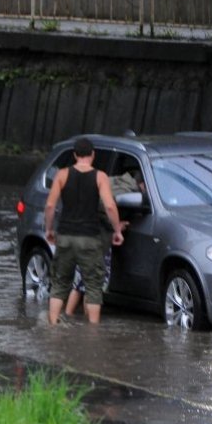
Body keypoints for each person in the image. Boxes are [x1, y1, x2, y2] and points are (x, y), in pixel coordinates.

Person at [44, 137, 124, 325]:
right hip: (90, 238)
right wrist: (117, 230)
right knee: (93, 286)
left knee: (60, 283)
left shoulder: (62, 175)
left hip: (65, 236)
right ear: (93, 155)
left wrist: (49, 229)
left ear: (74, 155)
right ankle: (92, 333)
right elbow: (110, 206)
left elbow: (50, 205)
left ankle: (53, 326)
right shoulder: (100, 176)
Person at [65, 169, 144, 316]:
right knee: (93, 287)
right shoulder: (127, 190)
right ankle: (91, 332)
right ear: (143, 185)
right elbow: (107, 206)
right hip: (97, 240)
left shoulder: (115, 181)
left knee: (80, 284)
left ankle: (65, 322)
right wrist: (116, 226)